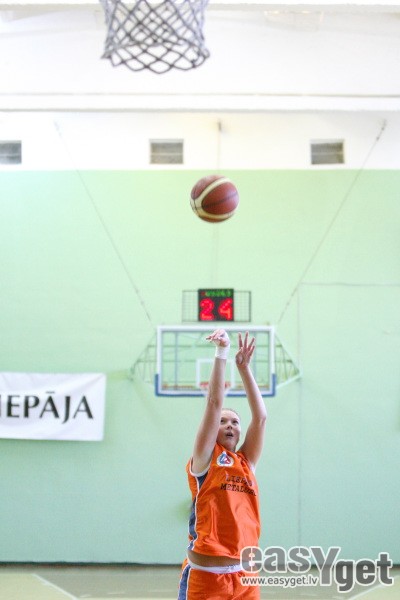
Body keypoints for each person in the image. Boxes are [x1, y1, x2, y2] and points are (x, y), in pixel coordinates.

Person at [178, 328, 267, 600]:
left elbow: (261, 417)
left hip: (245, 577)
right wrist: (222, 352)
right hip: (207, 578)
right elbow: (215, 403)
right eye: (223, 421)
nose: (230, 425)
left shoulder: (246, 462)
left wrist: (244, 369)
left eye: (235, 422)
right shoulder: (205, 459)